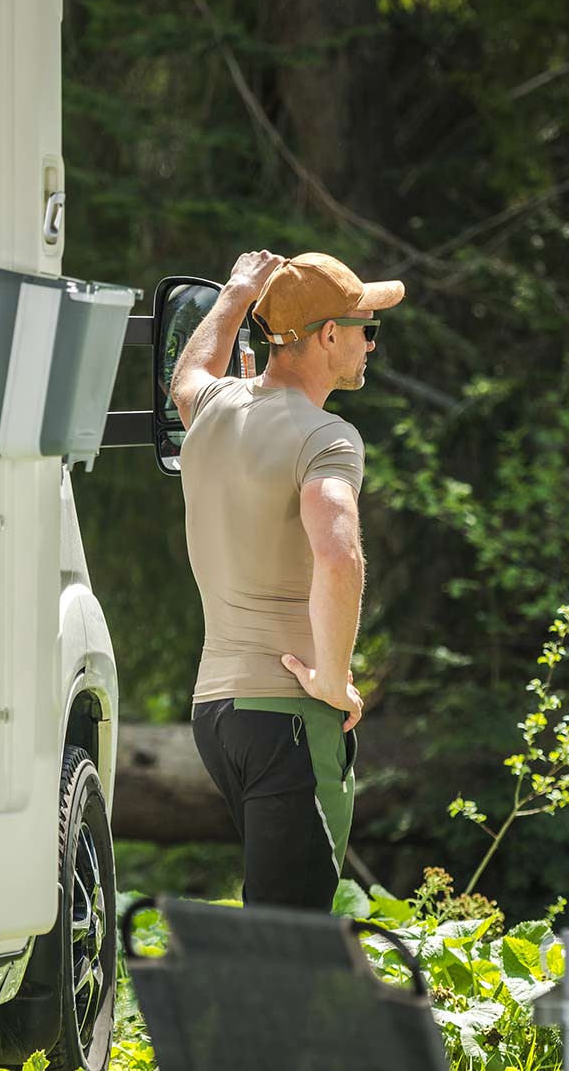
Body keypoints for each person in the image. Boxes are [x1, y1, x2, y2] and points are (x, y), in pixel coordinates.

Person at [170, 249, 403, 910]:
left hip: (217, 714)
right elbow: (339, 556)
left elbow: (187, 377)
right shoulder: (326, 437)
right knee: (291, 932)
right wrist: (333, 677)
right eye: (365, 328)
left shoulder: (213, 408)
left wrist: (234, 294)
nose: (370, 344)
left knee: (271, 921)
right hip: (289, 715)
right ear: (328, 335)